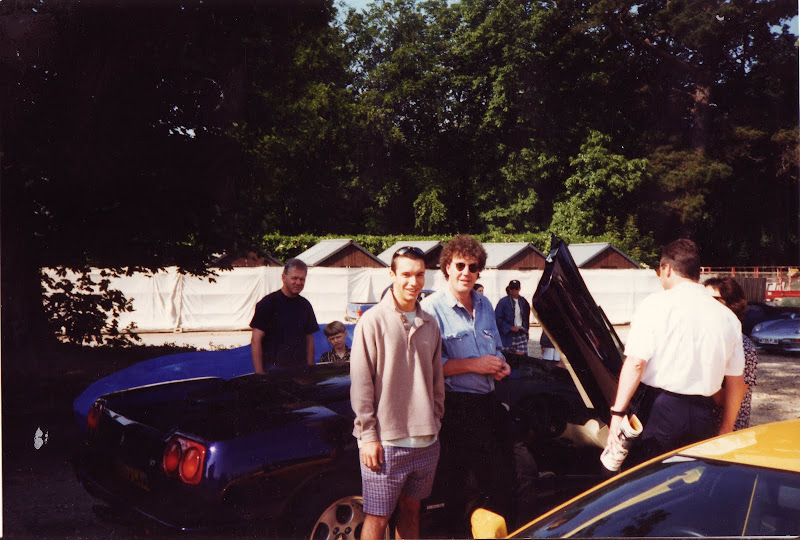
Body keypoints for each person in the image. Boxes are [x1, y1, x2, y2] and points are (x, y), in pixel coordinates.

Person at [608, 239, 746, 467]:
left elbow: (635, 363)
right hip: (704, 414)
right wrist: (726, 428)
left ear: (667, 269)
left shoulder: (655, 304)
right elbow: (736, 382)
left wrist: (617, 413)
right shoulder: (728, 317)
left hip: (661, 410)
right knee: (691, 478)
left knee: (648, 477)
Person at [421, 234, 515, 535]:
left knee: (501, 481)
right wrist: (474, 365)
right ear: (447, 267)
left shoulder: (485, 304)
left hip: (488, 403)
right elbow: (428, 367)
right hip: (455, 408)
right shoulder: (431, 308)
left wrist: (501, 363)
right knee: (457, 488)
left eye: (473, 267)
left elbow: (496, 347)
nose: (466, 273)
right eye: (460, 265)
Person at [350, 246, 444, 540]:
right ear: (392, 275)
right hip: (386, 443)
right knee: (377, 517)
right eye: (406, 274)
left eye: (419, 275)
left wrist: (435, 420)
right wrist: (368, 436)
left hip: (426, 441)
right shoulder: (372, 321)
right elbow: (361, 382)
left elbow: (436, 380)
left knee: (412, 510)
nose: (413, 282)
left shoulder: (431, 324)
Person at [704, 277, 758, 430]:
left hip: (727, 429)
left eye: (715, 300)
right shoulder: (707, 339)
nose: (708, 305)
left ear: (732, 305)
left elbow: (728, 398)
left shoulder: (744, 347)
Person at [249, 258, 318, 373]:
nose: (298, 282)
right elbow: (256, 340)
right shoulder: (267, 303)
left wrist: (310, 368)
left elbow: (309, 339)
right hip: (273, 370)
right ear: (283, 277)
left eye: (302, 279)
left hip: (300, 370)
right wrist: (260, 374)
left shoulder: (305, 305)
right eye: (294, 278)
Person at [495, 279, 530, 355]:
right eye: (512, 288)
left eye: (516, 288)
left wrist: (526, 331)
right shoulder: (502, 302)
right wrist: (510, 327)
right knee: (506, 356)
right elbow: (497, 318)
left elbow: (526, 318)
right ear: (509, 288)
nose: (514, 290)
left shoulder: (523, 301)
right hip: (507, 334)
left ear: (519, 289)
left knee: (520, 357)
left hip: (520, 332)